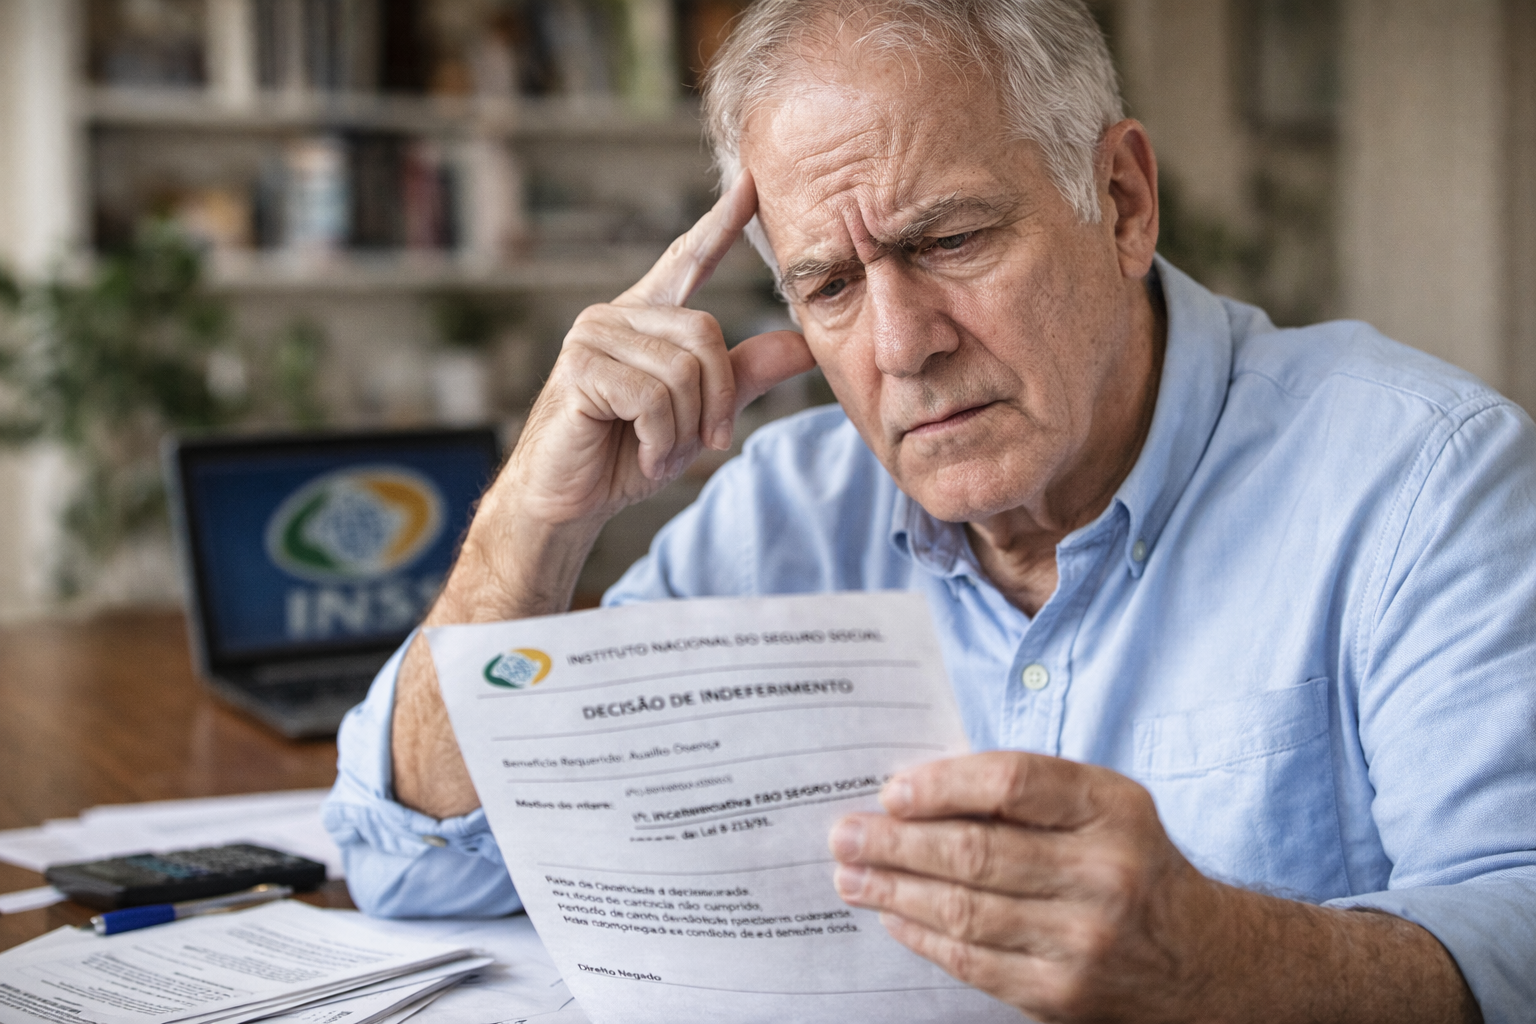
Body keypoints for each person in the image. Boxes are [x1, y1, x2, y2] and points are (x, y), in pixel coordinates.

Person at [322, 1, 1536, 1020]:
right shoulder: (777, 520)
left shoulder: (1422, 478)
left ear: (1120, 198)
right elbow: (412, 861)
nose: (900, 346)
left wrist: (1216, 957)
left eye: (950, 239)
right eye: (830, 285)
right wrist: (533, 522)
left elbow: (1517, 929)